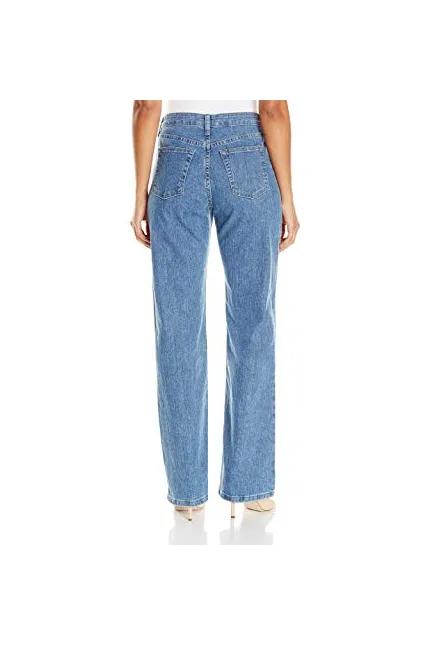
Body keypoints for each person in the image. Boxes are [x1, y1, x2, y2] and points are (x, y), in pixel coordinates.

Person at [131, 97, 299, 521]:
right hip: (248, 156)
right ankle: (251, 486)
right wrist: (287, 198)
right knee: (253, 326)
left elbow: (147, 105)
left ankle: (187, 493)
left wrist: (139, 194)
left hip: (176, 156)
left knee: (177, 328)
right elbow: (273, 108)